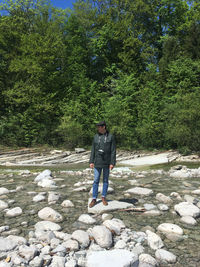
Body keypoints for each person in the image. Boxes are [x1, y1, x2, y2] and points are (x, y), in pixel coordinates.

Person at [89, 121, 116, 208]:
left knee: (105, 180)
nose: (98, 128)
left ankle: (103, 197)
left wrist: (112, 163)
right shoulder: (96, 137)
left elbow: (113, 151)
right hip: (97, 161)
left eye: (99, 127)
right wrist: (91, 161)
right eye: (97, 127)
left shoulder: (111, 137)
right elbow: (93, 149)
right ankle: (94, 198)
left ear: (104, 127)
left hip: (107, 162)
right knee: (96, 180)